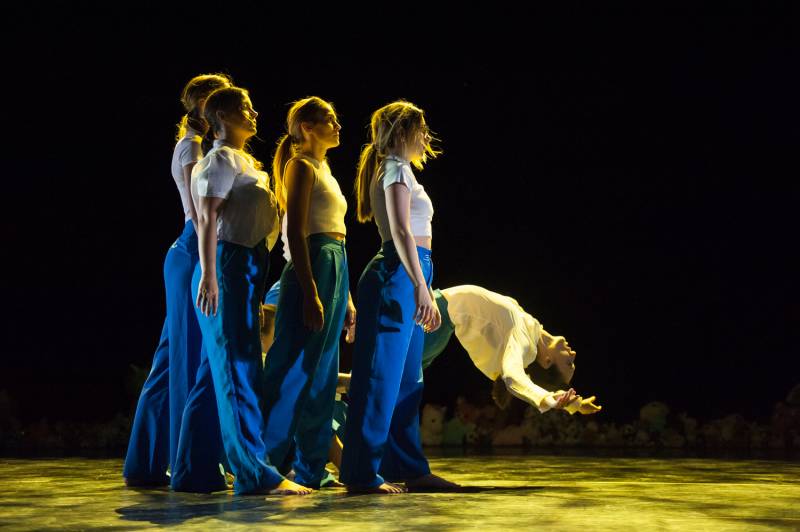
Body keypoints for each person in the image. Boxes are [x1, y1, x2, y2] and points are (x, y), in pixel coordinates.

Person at [174, 85, 310, 495]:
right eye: (243, 109)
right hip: (227, 264)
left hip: (248, 265)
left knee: (216, 376)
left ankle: (192, 471)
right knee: (239, 371)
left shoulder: (245, 160)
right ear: (222, 117)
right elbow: (206, 219)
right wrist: (211, 276)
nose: (253, 114)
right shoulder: (219, 159)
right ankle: (255, 473)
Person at [341, 101, 457, 494]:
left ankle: (408, 467)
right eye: (422, 130)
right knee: (381, 378)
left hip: (413, 270)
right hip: (398, 272)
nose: (426, 138)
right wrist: (421, 287)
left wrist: (422, 280)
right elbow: (402, 232)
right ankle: (360, 472)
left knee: (409, 378)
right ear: (405, 131)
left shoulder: (401, 169)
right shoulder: (392, 168)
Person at [124, 73, 231, 487]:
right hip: (193, 251)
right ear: (202, 105)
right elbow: (201, 209)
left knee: (170, 359)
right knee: (186, 356)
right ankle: (183, 461)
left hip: (191, 250)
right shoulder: (192, 146)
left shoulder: (197, 145)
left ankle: (147, 462)